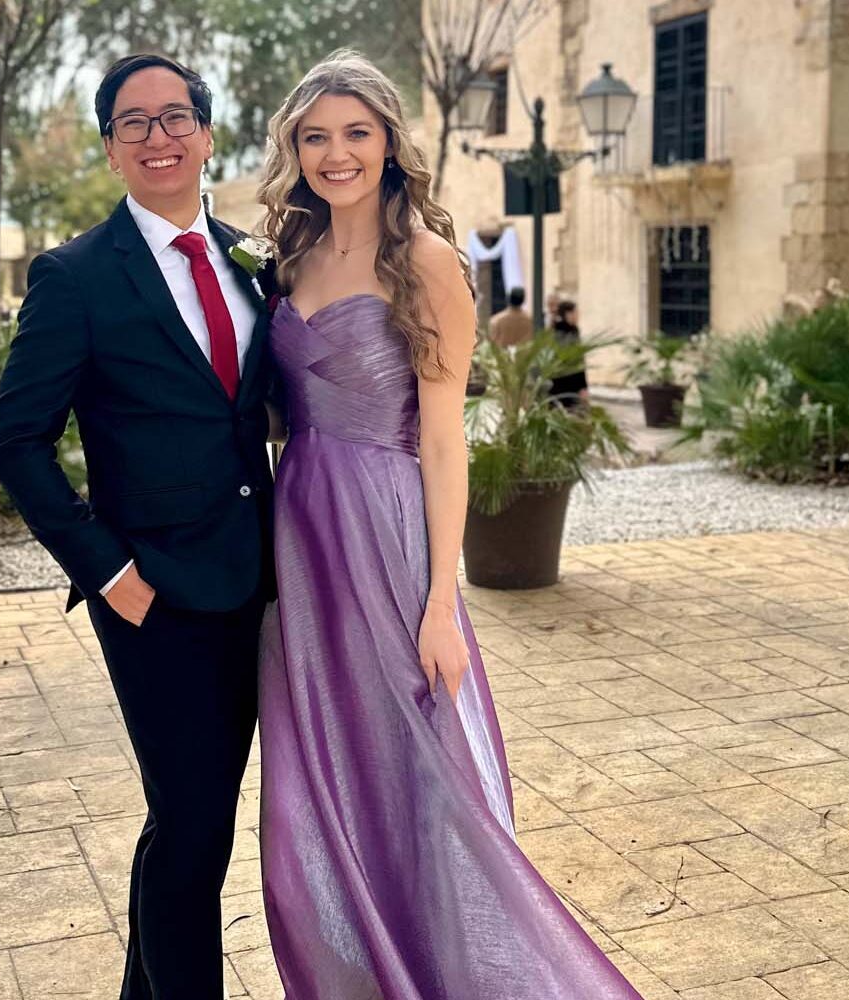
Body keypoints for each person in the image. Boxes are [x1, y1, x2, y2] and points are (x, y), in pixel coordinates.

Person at [252, 52, 645, 998]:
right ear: (294, 148)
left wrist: (440, 603)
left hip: (384, 536)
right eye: (315, 136)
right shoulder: (290, 255)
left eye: (356, 133)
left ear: (390, 143)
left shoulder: (427, 262)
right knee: (320, 772)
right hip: (300, 538)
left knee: (420, 776)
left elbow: (442, 441)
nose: (336, 153)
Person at [0, 54, 276, 1000]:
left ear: (205, 133)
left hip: (264, 586)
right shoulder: (75, 278)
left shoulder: (251, 262)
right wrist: (109, 571)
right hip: (154, 598)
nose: (160, 137)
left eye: (176, 116)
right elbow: (15, 440)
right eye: (135, 122)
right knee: (193, 827)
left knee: (192, 825)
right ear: (110, 147)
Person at [549, 297, 590, 406]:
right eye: (575, 312)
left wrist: (583, 386)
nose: (578, 315)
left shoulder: (574, 330)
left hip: (572, 382)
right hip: (562, 382)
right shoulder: (559, 332)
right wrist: (583, 387)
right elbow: (575, 359)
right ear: (567, 314)